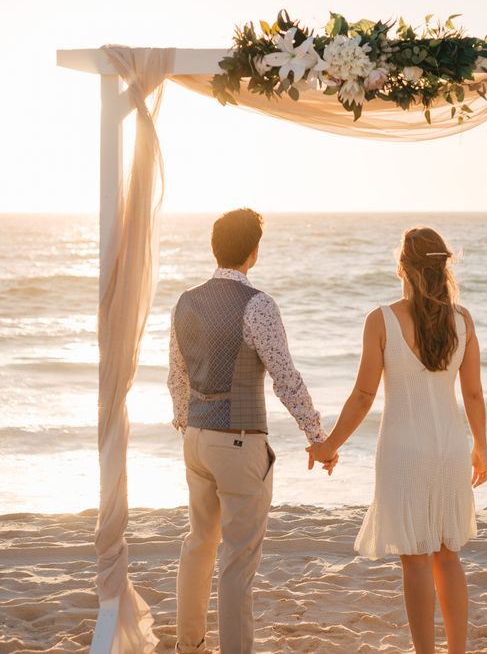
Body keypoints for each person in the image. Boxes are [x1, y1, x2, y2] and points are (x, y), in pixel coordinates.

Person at [307, 226, 487, 654]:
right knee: (448, 554)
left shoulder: (382, 320)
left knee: (415, 558)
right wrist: (480, 447)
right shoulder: (462, 321)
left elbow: (363, 396)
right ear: (442, 268)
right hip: (449, 448)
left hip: (404, 453)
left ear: (403, 269)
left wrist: (329, 445)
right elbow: (474, 393)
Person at [167, 207, 337, 654]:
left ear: (215, 248)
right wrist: (317, 438)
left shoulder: (185, 301)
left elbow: (176, 378)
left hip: (196, 440)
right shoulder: (258, 305)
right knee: (238, 560)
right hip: (239, 442)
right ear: (254, 252)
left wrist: (189, 427)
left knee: (200, 542)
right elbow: (285, 377)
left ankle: (189, 646)